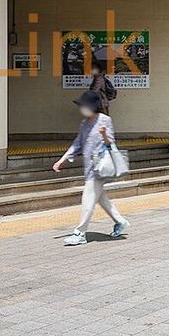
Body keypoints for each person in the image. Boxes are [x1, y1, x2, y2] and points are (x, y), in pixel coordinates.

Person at [54, 91, 129, 246]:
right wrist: (62, 160)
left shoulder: (105, 120)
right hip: (89, 167)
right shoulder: (84, 123)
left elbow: (110, 143)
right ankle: (121, 222)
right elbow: (77, 143)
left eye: (84, 105)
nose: (81, 108)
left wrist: (104, 134)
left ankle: (80, 233)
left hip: (99, 168)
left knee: (88, 199)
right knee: (102, 199)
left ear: (92, 106)